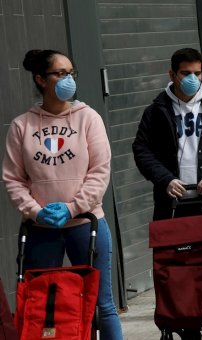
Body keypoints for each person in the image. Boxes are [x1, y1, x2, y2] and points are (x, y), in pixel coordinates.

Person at [3, 49, 123, 339]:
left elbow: (100, 171)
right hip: (42, 228)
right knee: (42, 302)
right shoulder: (22, 126)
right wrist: (35, 211)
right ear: (41, 79)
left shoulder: (88, 118)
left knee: (101, 305)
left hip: (86, 223)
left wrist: (73, 207)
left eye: (71, 73)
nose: (68, 79)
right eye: (60, 73)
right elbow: (13, 179)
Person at [132, 48, 202, 339]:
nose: (192, 79)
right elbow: (142, 151)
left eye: (197, 73)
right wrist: (165, 179)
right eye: (185, 73)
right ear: (172, 74)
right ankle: (185, 327)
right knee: (177, 274)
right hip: (172, 208)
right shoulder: (157, 110)